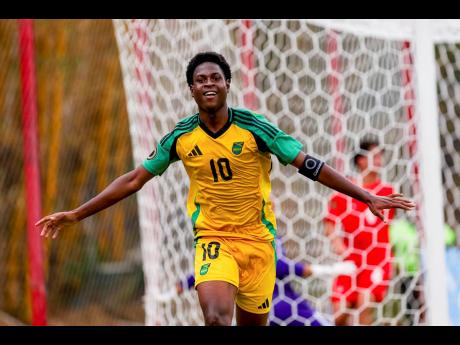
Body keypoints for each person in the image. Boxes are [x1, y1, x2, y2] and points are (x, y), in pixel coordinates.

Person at [36, 51, 415, 326]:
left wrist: (365, 195)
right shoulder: (180, 137)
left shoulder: (256, 128)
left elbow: (310, 164)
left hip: (259, 245)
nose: (209, 84)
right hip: (213, 240)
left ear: (227, 84)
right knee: (216, 317)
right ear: (191, 89)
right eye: (201, 79)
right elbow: (134, 179)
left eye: (216, 77)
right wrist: (76, 213)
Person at [176, 237, 357, 326]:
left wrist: (183, 283)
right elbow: (276, 265)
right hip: (280, 305)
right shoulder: (266, 235)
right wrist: (320, 270)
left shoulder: (225, 240)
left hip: (253, 310)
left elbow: (211, 269)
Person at [324, 139, 397, 326]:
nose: (379, 160)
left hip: (376, 261)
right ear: (361, 160)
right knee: (340, 314)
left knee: (364, 305)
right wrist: (338, 245)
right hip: (351, 260)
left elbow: (385, 227)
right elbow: (330, 222)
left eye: (381, 155)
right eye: (375, 155)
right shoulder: (345, 191)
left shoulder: (387, 193)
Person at [390, 218, 456, 325]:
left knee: (433, 307)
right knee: (413, 312)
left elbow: (450, 236)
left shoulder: (436, 226)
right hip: (409, 276)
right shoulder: (399, 227)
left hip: (431, 275)